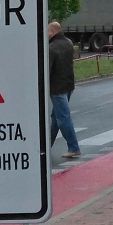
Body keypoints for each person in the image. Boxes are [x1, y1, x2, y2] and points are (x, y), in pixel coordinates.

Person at [47, 20, 80, 160]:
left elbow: (47, 70)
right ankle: (46, 145)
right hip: (68, 85)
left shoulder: (51, 48)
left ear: (52, 32)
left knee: (63, 117)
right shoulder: (68, 43)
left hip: (57, 87)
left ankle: (73, 147)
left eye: (47, 32)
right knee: (56, 117)